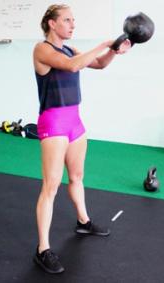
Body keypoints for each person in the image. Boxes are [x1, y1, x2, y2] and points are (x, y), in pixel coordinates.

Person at [33, 4, 131, 274]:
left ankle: (83, 221)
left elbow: (97, 64)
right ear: (52, 24)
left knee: (77, 176)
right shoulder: (42, 49)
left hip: (74, 121)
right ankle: (43, 249)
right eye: (67, 20)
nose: (72, 24)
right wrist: (104, 42)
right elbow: (74, 65)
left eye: (73, 20)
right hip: (53, 121)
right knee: (51, 186)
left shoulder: (70, 48)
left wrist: (113, 51)